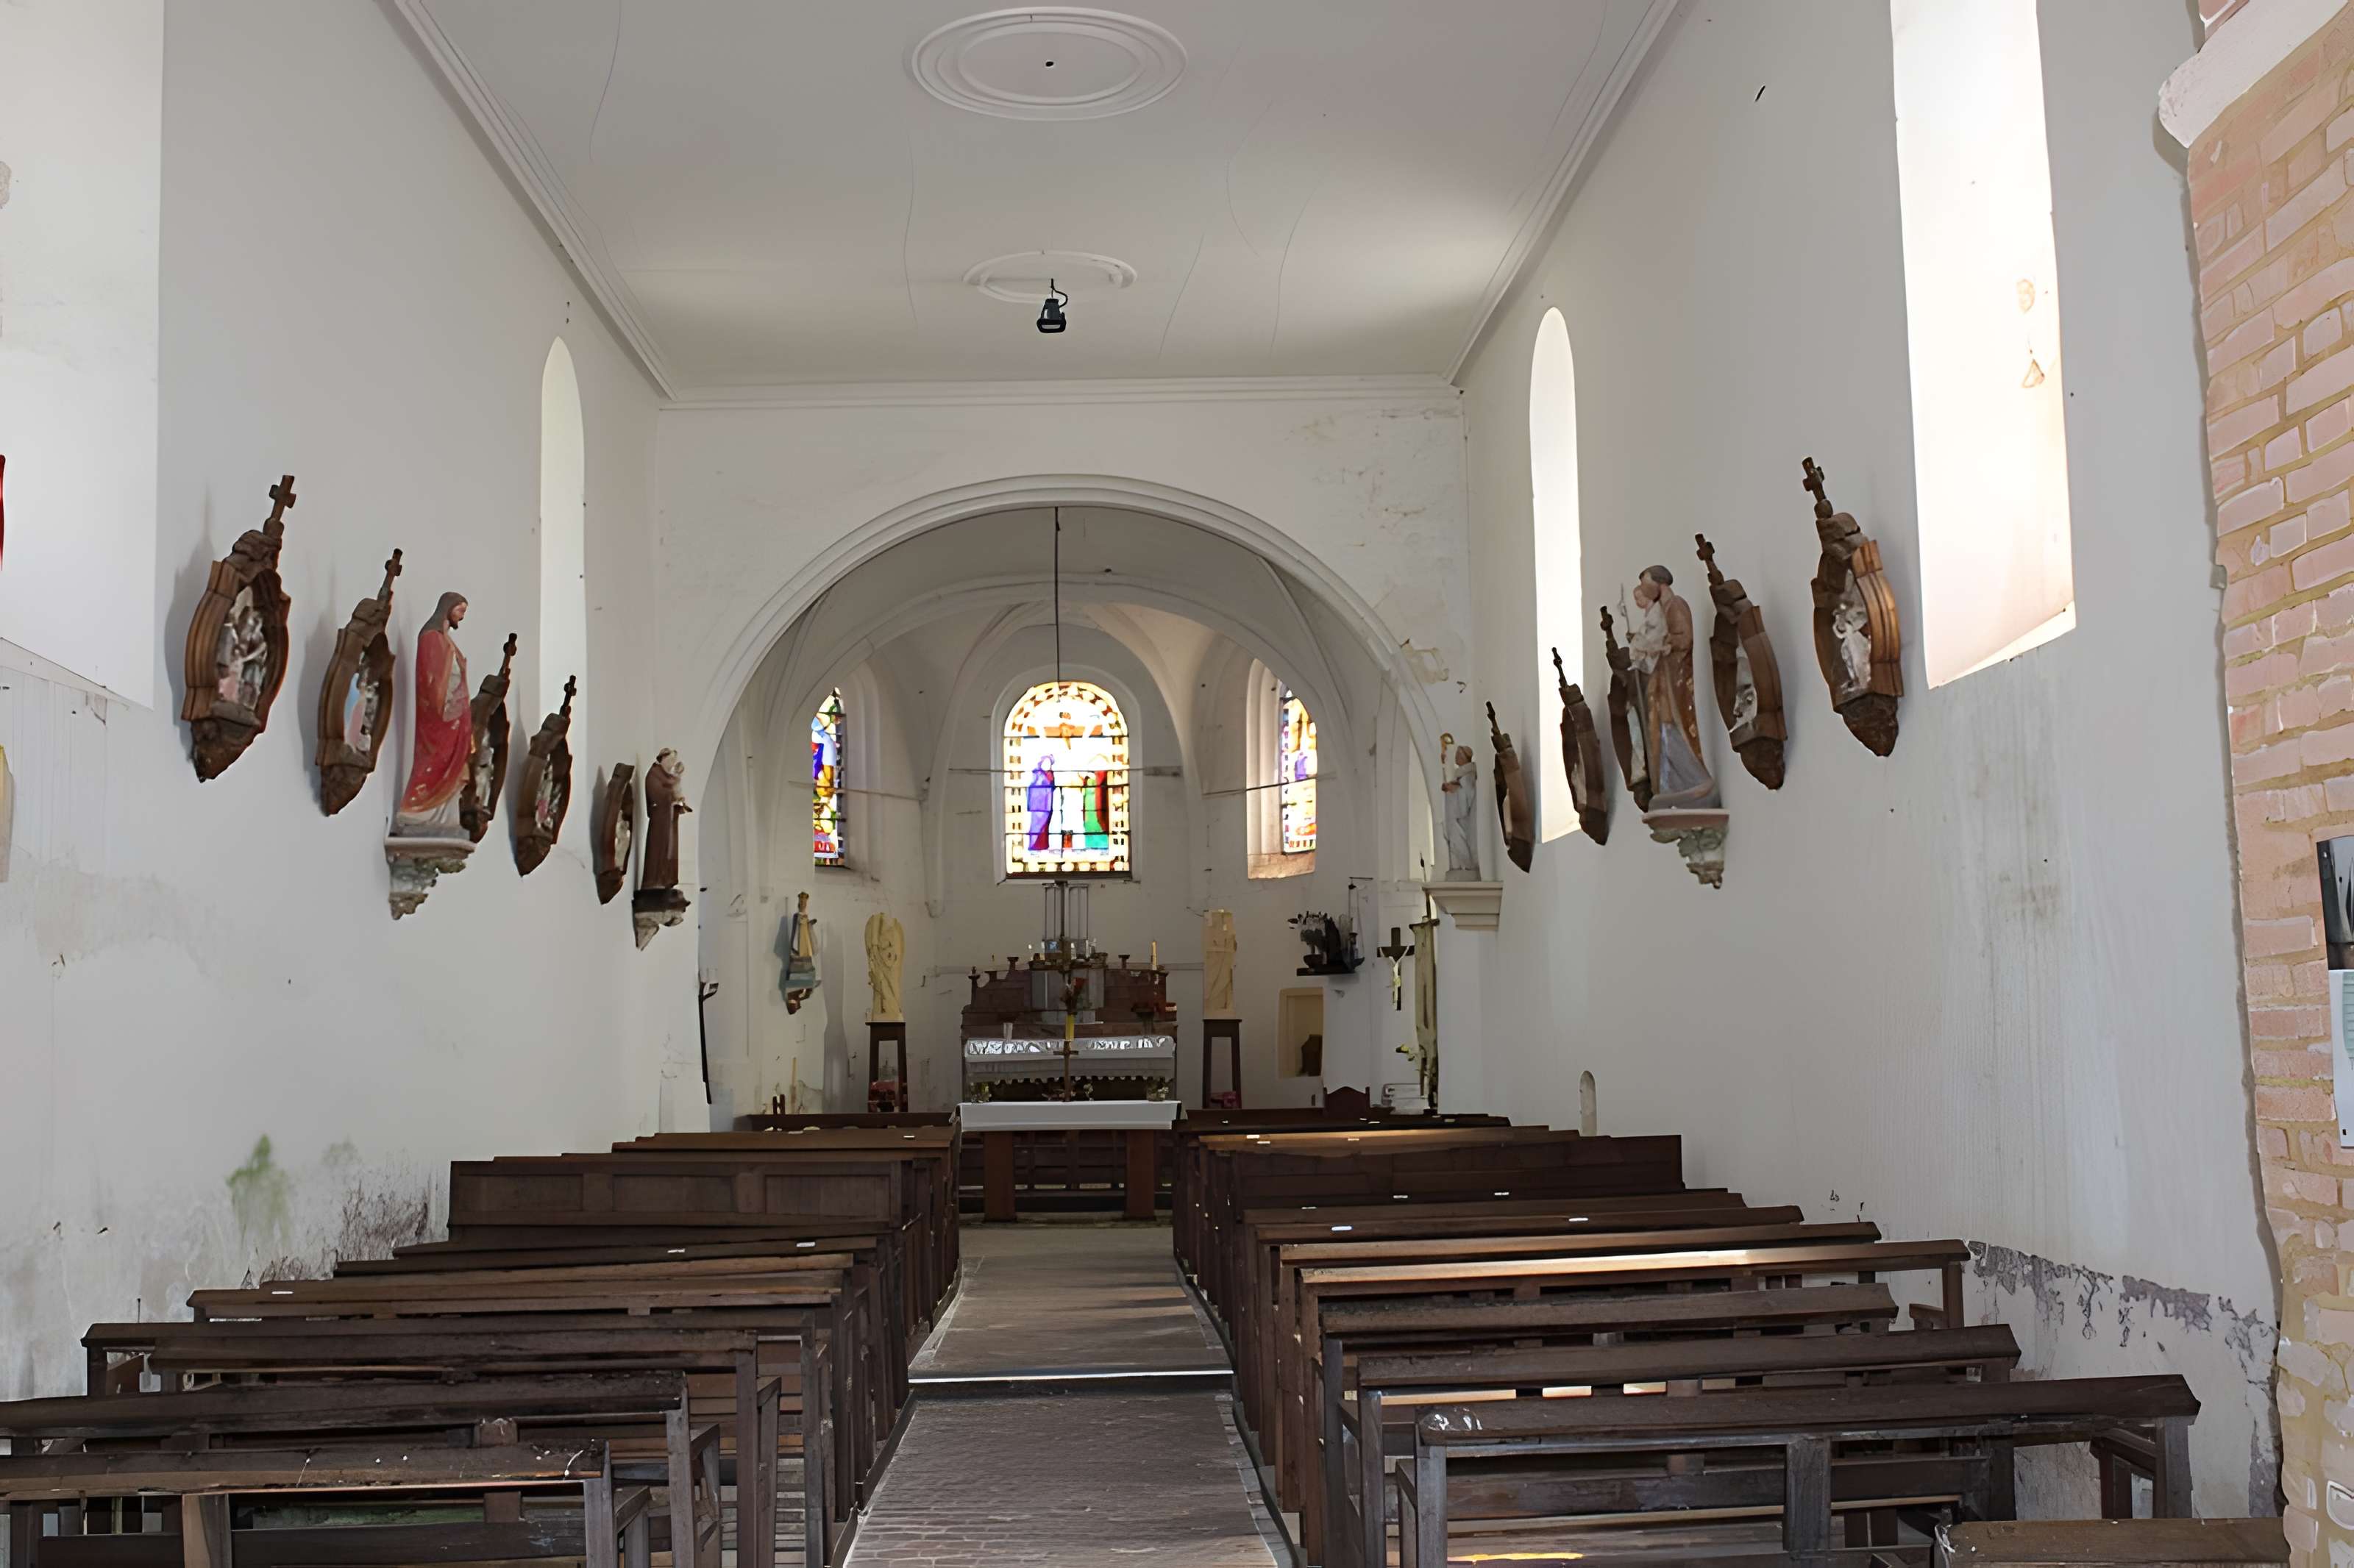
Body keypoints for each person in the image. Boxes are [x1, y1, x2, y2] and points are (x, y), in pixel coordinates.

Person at [394, 593, 472, 835]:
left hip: (455, 716)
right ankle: (417, 810)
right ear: (447, 609)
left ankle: (444, 817)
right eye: (460, 610)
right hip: (440, 716)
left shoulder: (446, 640)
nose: (462, 615)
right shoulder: (431, 637)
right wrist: (450, 699)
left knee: (454, 765)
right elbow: (431, 678)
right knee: (435, 760)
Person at [1440, 736, 1481, 878]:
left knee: (1461, 841)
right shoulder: (1462, 774)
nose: (1457, 757)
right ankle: (1459, 866)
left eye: (1459, 754)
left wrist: (1454, 789)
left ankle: (1467, 867)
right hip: (1457, 817)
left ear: (1465, 757)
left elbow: (1467, 794)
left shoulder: (1469, 774)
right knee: (1455, 841)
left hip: (1462, 819)